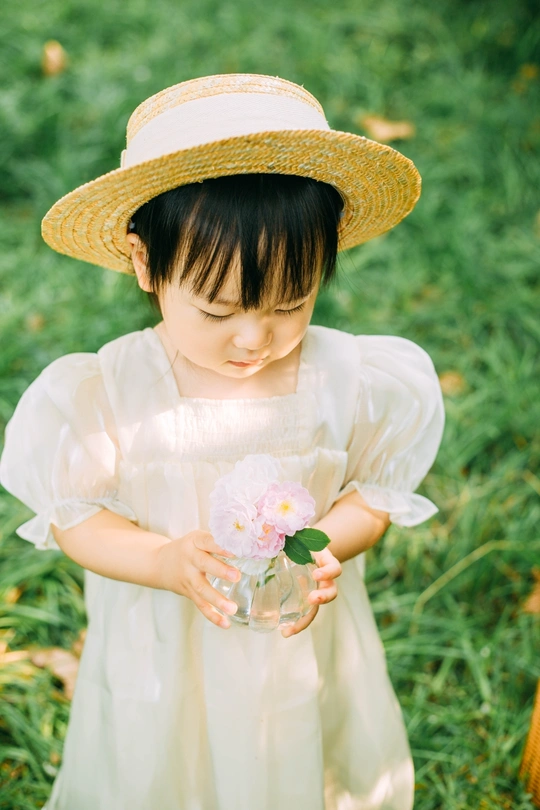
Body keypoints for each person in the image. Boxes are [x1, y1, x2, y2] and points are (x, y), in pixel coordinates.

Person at [0, 73, 445, 810]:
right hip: (168, 650)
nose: (254, 338)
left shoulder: (349, 376)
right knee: (166, 770)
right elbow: (78, 520)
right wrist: (164, 559)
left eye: (291, 304)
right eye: (216, 310)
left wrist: (327, 541)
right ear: (146, 264)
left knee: (299, 750)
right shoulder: (112, 389)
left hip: (296, 646)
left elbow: (375, 490)